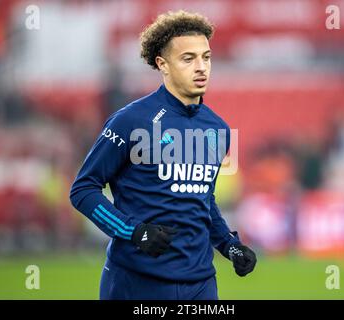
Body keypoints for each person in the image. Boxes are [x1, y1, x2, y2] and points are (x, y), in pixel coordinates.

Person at [70, 10, 256, 300]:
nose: (201, 67)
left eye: (206, 57)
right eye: (188, 58)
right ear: (163, 64)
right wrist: (134, 232)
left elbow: (202, 199)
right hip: (134, 282)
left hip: (200, 284)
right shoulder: (130, 121)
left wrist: (229, 245)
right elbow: (83, 190)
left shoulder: (217, 129)